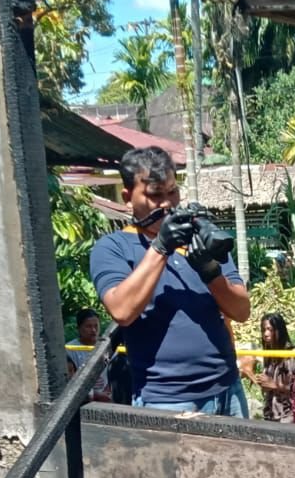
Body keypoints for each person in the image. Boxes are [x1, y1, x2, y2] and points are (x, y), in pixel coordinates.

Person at [87, 147, 251, 415]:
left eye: (172, 192)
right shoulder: (113, 247)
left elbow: (242, 311)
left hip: (228, 389)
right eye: (155, 195)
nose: (167, 203)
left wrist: (210, 272)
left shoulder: (202, 238)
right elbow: (122, 311)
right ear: (127, 197)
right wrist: (161, 247)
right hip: (167, 399)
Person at [243, 313, 295, 423]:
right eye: (263, 330)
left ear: (279, 330)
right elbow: (268, 386)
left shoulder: (293, 355)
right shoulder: (269, 354)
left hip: (289, 415)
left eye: (270, 330)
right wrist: (254, 377)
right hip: (271, 414)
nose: (266, 334)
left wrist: (274, 385)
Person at [65, 308, 112, 403]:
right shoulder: (70, 349)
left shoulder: (107, 346)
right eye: (88, 326)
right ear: (78, 328)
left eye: (96, 326)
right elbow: (70, 380)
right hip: (80, 399)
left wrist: (109, 389)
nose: (93, 330)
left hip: (107, 396)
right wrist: (94, 394)